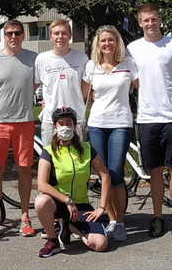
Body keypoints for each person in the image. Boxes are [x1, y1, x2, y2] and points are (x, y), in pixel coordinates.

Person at [126, 3, 172, 238]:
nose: (150, 23)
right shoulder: (132, 48)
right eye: (146, 20)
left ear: (160, 20)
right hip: (146, 119)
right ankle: (157, 217)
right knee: (154, 171)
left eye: (154, 19)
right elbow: (130, 81)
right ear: (139, 22)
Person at [0, 19, 37, 240]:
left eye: (18, 33)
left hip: (24, 122)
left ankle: (25, 218)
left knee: (24, 170)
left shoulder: (34, 58)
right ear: (4, 36)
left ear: (24, 35)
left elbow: (42, 82)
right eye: (10, 33)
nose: (14, 37)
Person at [83, 25, 138, 242]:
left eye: (111, 40)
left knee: (116, 173)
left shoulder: (129, 64)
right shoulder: (92, 66)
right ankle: (112, 221)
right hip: (96, 124)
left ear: (117, 42)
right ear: (98, 43)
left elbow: (141, 87)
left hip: (121, 124)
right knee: (103, 174)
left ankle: (121, 223)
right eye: (103, 40)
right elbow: (83, 95)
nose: (107, 44)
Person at [35, 107, 111, 258]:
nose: (65, 126)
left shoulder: (87, 148)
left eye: (68, 123)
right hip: (58, 203)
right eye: (60, 123)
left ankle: (68, 226)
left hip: (81, 204)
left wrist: (101, 208)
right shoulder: (49, 151)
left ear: (75, 126)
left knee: (100, 244)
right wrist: (67, 201)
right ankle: (53, 240)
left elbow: (106, 176)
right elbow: (42, 185)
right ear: (55, 127)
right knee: (40, 201)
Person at [34, 19, 89, 147]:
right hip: (50, 120)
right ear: (50, 37)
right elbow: (34, 85)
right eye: (56, 33)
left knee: (78, 160)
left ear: (70, 36)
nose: (60, 37)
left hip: (76, 119)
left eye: (64, 33)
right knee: (50, 160)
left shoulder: (82, 58)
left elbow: (84, 89)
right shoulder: (41, 59)